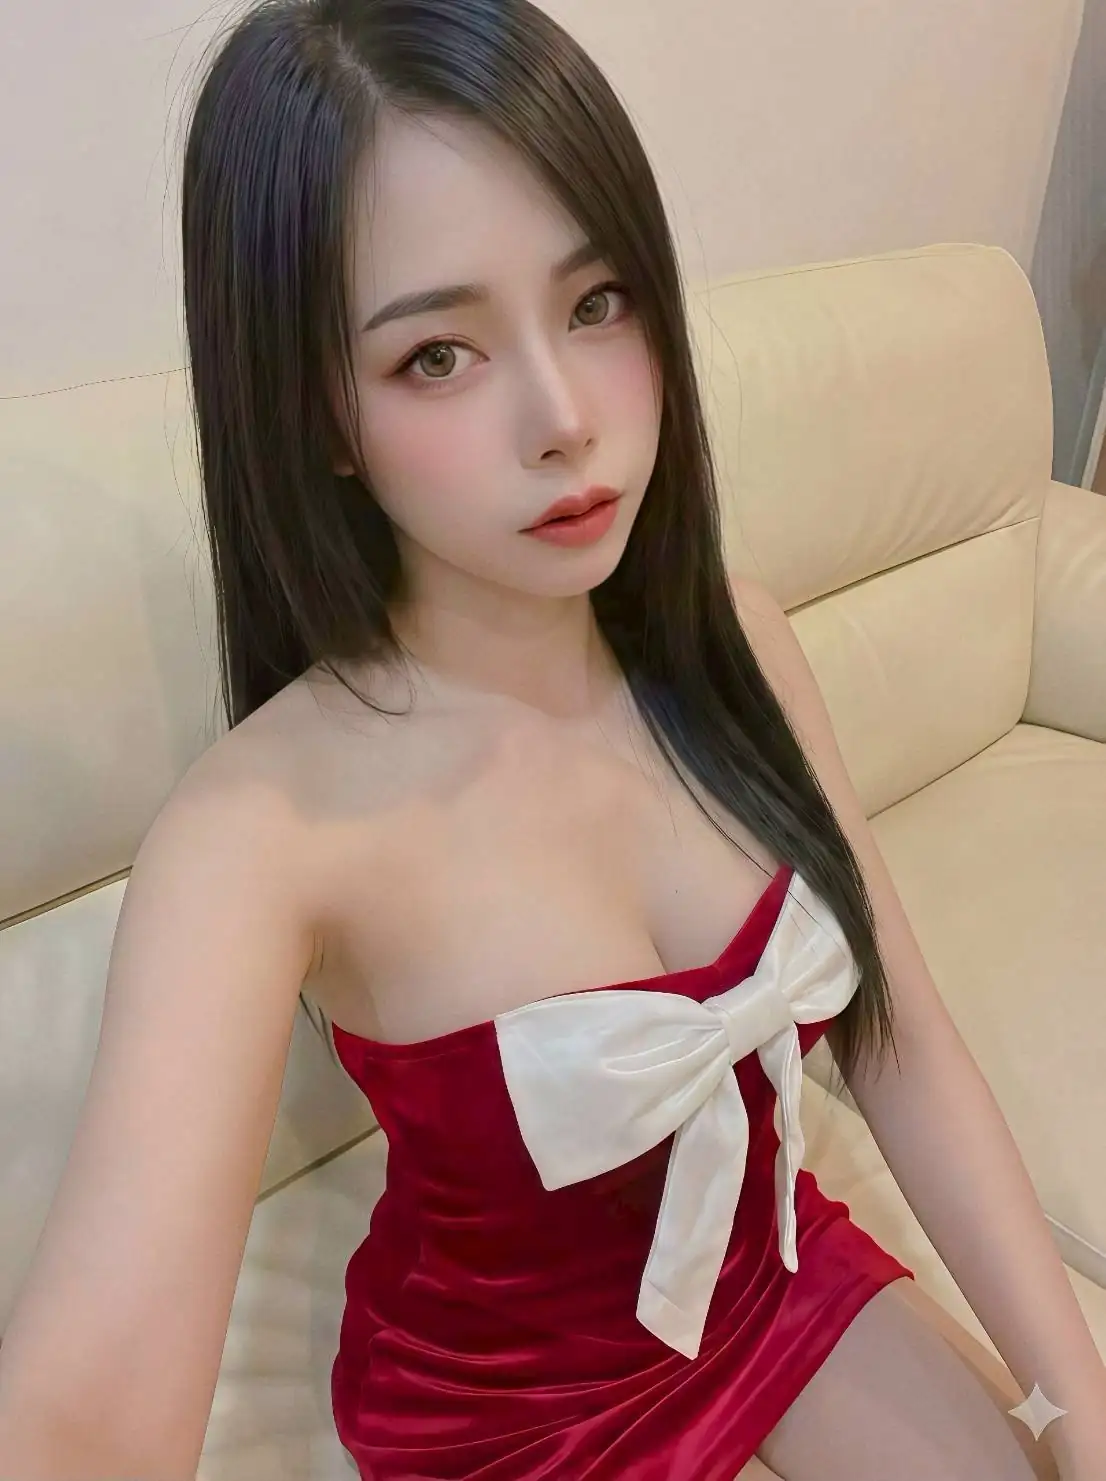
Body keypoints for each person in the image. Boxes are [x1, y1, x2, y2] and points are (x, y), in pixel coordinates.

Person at [1, 1, 1104, 1477]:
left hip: (768, 1276)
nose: (565, 417)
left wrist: (1077, 1405)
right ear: (317, 411)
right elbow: (86, 1409)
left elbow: (899, 1042)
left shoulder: (738, 641)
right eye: (437, 357)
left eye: (597, 303)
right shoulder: (256, 834)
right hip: (516, 1416)